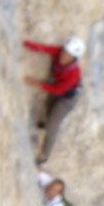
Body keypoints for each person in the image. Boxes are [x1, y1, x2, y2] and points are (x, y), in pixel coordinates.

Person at [23, 36, 85, 164]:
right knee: (49, 106)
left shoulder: (74, 74)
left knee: (52, 127)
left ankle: (44, 156)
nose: (63, 55)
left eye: (68, 54)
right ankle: (44, 123)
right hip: (59, 88)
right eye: (64, 51)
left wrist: (37, 84)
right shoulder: (59, 52)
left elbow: (59, 90)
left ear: (74, 58)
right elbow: (43, 48)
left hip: (68, 98)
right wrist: (25, 43)